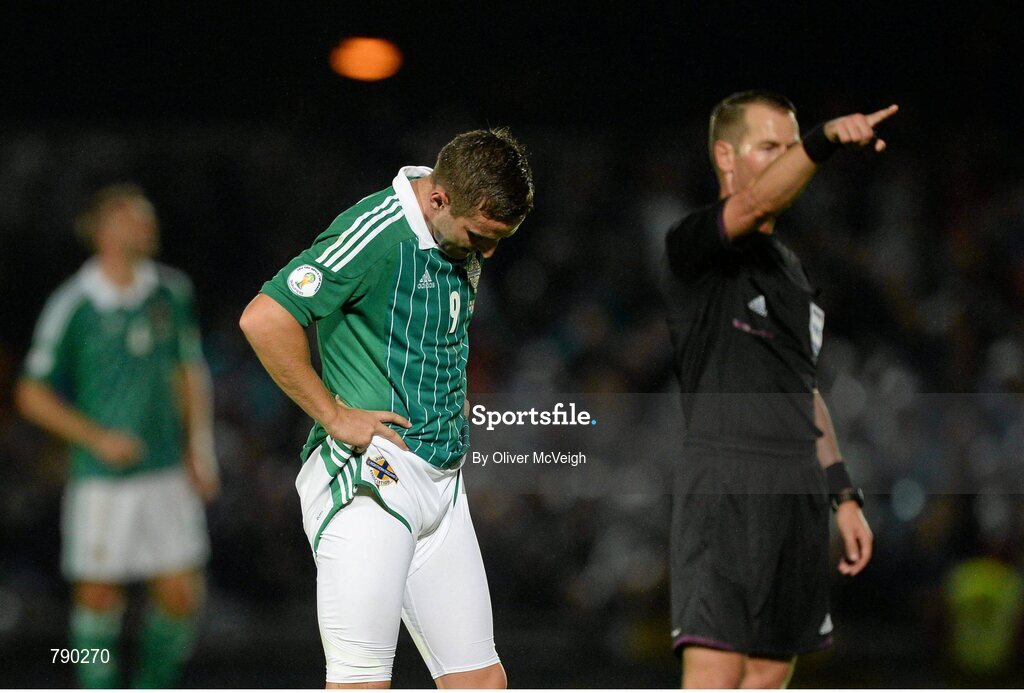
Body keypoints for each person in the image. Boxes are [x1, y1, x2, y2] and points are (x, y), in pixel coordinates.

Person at [239, 127, 533, 689]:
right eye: (481, 236)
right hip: (370, 482)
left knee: (481, 683)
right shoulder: (376, 233)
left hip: (443, 487)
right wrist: (333, 413)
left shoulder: (453, 227)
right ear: (439, 199)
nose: (490, 252)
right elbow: (264, 318)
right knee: (362, 683)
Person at [660, 91, 896, 688]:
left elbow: (804, 388)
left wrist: (842, 494)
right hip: (725, 485)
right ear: (726, 156)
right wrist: (822, 141)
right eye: (772, 146)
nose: (787, 159)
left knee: (767, 675)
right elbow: (759, 199)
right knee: (716, 672)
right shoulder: (695, 246)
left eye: (791, 148)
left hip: (796, 495)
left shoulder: (792, 272)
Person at [15, 183, 219, 688]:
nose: (148, 227)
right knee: (99, 599)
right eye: (135, 218)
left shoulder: (171, 291)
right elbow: (31, 393)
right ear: (104, 230)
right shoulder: (74, 303)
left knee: (180, 596)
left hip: (166, 469)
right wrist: (95, 437)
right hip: (102, 479)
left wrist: (201, 448)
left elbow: (187, 372)